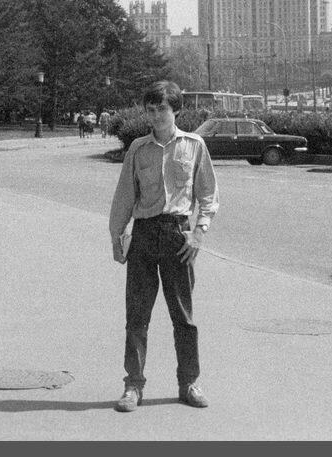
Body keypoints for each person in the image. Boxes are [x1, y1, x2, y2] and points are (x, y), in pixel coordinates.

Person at [108, 80, 219, 413]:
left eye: (163, 109)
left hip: (178, 236)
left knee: (183, 318)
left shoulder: (195, 145)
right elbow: (125, 195)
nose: (156, 116)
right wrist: (117, 236)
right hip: (143, 235)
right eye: (151, 110)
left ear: (176, 111)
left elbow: (208, 194)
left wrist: (199, 232)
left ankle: (189, 383)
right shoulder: (138, 149)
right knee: (137, 317)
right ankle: (133, 386)